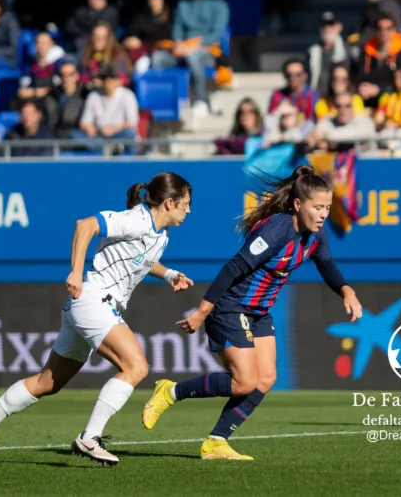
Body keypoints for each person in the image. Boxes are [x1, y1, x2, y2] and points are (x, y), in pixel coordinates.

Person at [0, 173, 195, 466]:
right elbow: (85, 225)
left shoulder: (160, 234)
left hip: (87, 306)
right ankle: (89, 438)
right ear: (169, 202)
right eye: (185, 204)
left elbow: (143, 261)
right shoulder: (136, 220)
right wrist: (75, 272)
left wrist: (170, 274)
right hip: (94, 300)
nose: (188, 210)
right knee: (135, 367)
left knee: (48, 382)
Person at [141, 166, 363, 461]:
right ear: (298, 205)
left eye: (327, 207)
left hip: (259, 312)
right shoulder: (276, 230)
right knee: (244, 382)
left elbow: (327, 266)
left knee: (266, 379)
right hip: (230, 307)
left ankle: (216, 442)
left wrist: (346, 290)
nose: (323, 214)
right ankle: (170, 392)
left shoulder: (316, 235)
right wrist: (201, 312)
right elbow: (232, 269)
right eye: (317, 207)